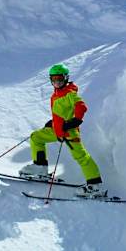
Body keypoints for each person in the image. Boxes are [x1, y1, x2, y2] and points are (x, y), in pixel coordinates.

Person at [19, 64, 106, 198]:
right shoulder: (57, 94)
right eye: (53, 79)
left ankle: (95, 186)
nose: (56, 82)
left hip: (69, 132)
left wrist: (75, 121)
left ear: (66, 78)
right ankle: (40, 168)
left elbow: (81, 106)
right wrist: (53, 122)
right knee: (36, 137)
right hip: (58, 130)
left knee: (81, 157)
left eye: (59, 79)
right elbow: (61, 112)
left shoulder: (69, 93)